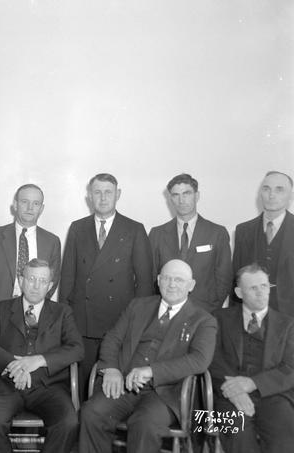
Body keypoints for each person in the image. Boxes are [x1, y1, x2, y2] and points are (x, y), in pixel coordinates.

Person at [79, 259, 217, 453]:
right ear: (158, 280)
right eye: (167, 278)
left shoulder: (203, 320)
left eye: (179, 280)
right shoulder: (137, 306)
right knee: (91, 413)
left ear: (191, 285)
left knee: (144, 424)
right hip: (123, 385)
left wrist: (152, 371)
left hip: (164, 394)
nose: (172, 284)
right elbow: (112, 338)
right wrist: (111, 369)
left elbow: (199, 360)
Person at [0, 259, 84, 453]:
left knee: (68, 423)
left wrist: (38, 360)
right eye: (31, 278)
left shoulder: (62, 312)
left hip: (48, 387)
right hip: (5, 385)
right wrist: (13, 365)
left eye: (43, 281)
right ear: (21, 280)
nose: (36, 285)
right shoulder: (0, 309)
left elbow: (77, 348)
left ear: (50, 286)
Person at [60, 173, 154, 390]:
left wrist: (138, 323)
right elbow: (67, 277)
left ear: (117, 195)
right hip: (83, 321)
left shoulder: (134, 229)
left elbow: (145, 282)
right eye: (97, 192)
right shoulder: (77, 228)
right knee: (83, 386)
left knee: (114, 388)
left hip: (119, 322)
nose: (103, 198)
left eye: (108, 192)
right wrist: (66, 319)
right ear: (89, 197)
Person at [209, 264, 294, 453]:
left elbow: (290, 368)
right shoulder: (218, 318)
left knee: (285, 435)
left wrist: (252, 383)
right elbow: (211, 358)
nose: (260, 292)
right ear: (239, 292)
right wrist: (234, 390)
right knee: (238, 437)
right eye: (253, 288)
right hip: (226, 397)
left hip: (274, 396)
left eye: (264, 286)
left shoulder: (287, 325)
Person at [0, 184, 61, 327]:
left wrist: (34, 308)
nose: (30, 208)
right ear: (15, 205)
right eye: (24, 202)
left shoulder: (52, 241)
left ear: (41, 208)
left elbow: (52, 281)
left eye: (36, 203)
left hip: (35, 318)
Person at [149, 173, 232, 312]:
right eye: (175, 195)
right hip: (166, 313)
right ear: (170, 199)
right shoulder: (156, 234)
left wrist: (211, 310)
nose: (181, 200)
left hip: (205, 313)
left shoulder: (217, 233)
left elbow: (224, 279)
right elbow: (151, 278)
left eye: (186, 193)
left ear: (197, 196)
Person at [232, 171, 294, 316]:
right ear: (260, 194)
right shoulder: (243, 230)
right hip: (251, 315)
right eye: (266, 189)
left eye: (279, 189)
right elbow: (236, 279)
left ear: (291, 195)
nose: (271, 195)